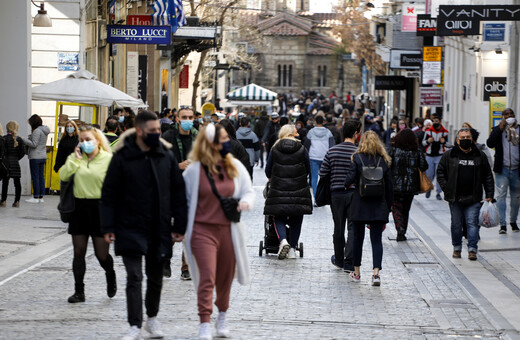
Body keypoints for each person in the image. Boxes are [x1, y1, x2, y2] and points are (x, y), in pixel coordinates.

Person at [101, 111, 188, 340]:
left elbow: (178, 191)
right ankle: (134, 325)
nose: (157, 134)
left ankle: (152, 318)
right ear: (139, 131)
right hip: (129, 225)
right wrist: (108, 226)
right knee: (134, 276)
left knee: (156, 275)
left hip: (159, 226)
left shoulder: (165, 155)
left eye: (158, 130)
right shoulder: (122, 157)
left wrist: (180, 224)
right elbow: (109, 193)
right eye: (152, 131)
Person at [182, 124, 255, 340]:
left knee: (225, 277)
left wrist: (245, 202)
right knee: (207, 275)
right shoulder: (194, 170)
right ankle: (204, 320)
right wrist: (179, 227)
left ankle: (222, 314)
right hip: (201, 229)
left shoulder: (234, 167)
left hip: (228, 230)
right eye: (222, 139)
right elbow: (183, 199)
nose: (226, 143)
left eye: (226, 138)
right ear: (210, 143)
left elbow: (249, 190)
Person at [58, 125, 116, 303]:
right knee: (78, 251)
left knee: (102, 255)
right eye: (81, 140)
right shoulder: (75, 158)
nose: (85, 143)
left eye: (88, 140)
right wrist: (75, 160)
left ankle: (110, 273)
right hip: (79, 208)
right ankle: (79, 291)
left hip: (100, 209)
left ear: (97, 140)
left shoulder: (108, 159)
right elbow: (64, 175)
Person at [344, 131, 393, 286]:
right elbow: (390, 187)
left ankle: (357, 273)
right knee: (376, 240)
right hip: (378, 205)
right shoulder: (384, 160)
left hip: (360, 205)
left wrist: (347, 183)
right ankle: (376, 274)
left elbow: (349, 180)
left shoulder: (356, 158)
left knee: (358, 239)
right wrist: (388, 207)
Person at [437, 128, 494, 260]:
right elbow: (440, 172)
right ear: (457, 140)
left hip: (473, 197)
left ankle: (472, 249)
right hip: (455, 197)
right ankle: (457, 247)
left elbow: (487, 176)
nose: (465, 140)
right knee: (456, 225)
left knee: (472, 223)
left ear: (472, 139)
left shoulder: (480, 155)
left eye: (468, 137)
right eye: (462, 138)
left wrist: (489, 193)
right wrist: (447, 187)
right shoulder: (449, 155)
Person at [162, 106, 199, 280]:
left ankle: (186, 267)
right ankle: (166, 258)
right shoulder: (168, 137)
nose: (188, 120)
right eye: (184, 117)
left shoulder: (198, 137)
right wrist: (178, 166)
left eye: (190, 117)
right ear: (177, 119)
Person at [265, 125, 313, 260]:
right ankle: (292, 249)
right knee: (296, 218)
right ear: (292, 134)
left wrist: (273, 177)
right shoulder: (302, 149)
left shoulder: (275, 149)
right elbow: (308, 169)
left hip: (279, 188)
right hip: (298, 189)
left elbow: (268, 170)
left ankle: (283, 241)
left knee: (278, 216)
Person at [319, 120, 360, 272]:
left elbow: (322, 173)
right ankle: (349, 262)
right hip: (354, 194)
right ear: (356, 134)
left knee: (338, 227)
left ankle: (338, 259)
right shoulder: (358, 151)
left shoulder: (332, 151)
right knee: (352, 228)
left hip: (336, 194)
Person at [389, 129, 427, 241]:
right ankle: (403, 231)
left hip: (395, 185)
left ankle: (399, 227)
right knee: (406, 209)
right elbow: (424, 166)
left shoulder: (393, 150)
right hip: (411, 186)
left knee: (396, 207)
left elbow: (387, 165)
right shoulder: (417, 151)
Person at [486, 108, 520, 234]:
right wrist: (500, 128)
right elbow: (489, 143)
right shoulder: (497, 130)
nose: (509, 116)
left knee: (516, 198)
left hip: (517, 169)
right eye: (506, 114)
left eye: (511, 114)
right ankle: (503, 224)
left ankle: (513, 221)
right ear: (503, 117)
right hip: (502, 169)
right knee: (501, 197)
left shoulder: (519, 129)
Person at [304, 115, 334, 200]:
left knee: (314, 177)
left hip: (313, 156)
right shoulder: (328, 132)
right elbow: (332, 145)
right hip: (325, 157)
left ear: (315, 122)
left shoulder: (311, 132)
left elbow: (307, 145)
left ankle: (316, 197)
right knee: (324, 177)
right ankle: (323, 197)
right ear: (323, 122)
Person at [22, 114, 50, 203]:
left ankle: (35, 197)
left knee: (35, 177)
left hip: (35, 157)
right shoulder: (44, 130)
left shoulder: (37, 131)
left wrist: (24, 139)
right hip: (42, 156)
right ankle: (41, 197)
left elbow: (34, 144)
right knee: (41, 177)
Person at [422, 115, 448, 200]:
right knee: (429, 174)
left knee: (439, 174)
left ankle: (438, 193)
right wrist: (427, 141)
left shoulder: (445, 132)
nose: (435, 123)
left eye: (437, 121)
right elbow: (423, 143)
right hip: (429, 156)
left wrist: (444, 142)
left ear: (440, 122)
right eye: (434, 121)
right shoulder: (428, 131)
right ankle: (429, 188)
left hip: (440, 156)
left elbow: (449, 144)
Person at [1, 121, 25, 207]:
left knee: (5, 182)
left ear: (7, 128)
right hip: (15, 163)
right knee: (17, 183)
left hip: (6, 164)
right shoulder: (19, 139)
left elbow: (2, 152)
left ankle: (3, 201)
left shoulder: (4, 139)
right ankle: (17, 201)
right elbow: (23, 152)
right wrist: (16, 158)